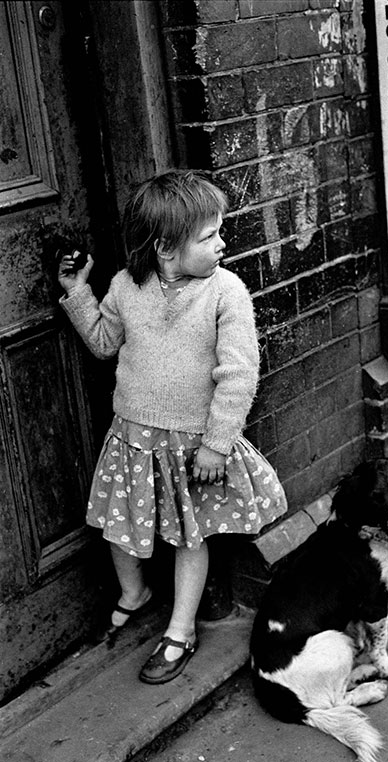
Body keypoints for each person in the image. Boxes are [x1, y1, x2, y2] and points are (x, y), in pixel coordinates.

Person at [58, 170, 287, 684]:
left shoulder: (225, 292)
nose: (222, 242)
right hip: (132, 437)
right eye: (209, 236)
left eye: (218, 230)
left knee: (190, 535)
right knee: (119, 526)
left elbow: (238, 374)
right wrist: (78, 292)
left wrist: (217, 444)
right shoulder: (125, 285)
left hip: (192, 445)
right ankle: (134, 595)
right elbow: (102, 342)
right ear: (164, 247)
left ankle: (180, 630)